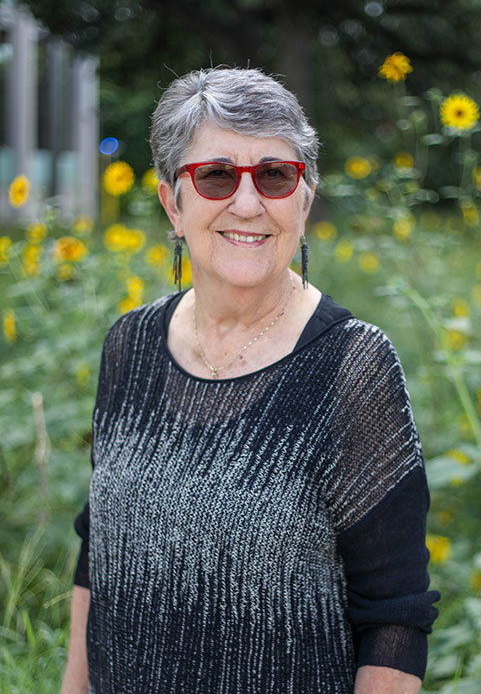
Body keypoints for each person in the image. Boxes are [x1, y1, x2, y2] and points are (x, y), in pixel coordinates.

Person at [60, 66, 440, 694]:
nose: (246, 202)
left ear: (304, 201)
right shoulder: (128, 345)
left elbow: (395, 616)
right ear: (171, 204)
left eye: (274, 175)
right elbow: (95, 546)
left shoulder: (352, 366)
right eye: (214, 176)